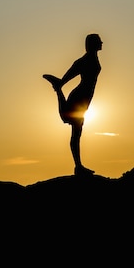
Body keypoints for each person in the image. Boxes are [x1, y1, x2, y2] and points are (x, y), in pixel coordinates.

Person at [43, 33, 103, 176]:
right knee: (74, 129)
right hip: (80, 97)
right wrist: (60, 83)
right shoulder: (85, 60)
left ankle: (78, 166)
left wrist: (60, 84)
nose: (102, 43)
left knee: (76, 131)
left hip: (84, 99)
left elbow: (70, 73)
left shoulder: (91, 58)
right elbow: (72, 71)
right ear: (93, 44)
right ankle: (78, 166)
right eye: (99, 41)